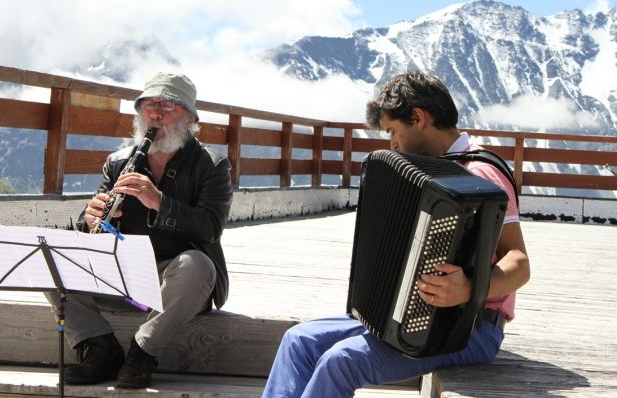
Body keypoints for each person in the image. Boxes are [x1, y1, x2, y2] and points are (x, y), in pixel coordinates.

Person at [261, 71, 530, 397]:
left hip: (470, 328)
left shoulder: (479, 172)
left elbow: (519, 262)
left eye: (392, 130)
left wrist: (469, 288)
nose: (392, 143)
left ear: (418, 118)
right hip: (418, 317)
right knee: (299, 340)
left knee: (340, 361)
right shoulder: (432, 169)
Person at [45, 72, 233, 389]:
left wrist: (160, 202)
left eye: (167, 107)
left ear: (189, 119)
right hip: (123, 274)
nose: (155, 114)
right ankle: (100, 347)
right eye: (149, 106)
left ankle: (143, 352)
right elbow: (93, 231)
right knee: (49, 259)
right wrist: (90, 221)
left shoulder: (211, 165)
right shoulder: (119, 162)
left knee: (197, 265)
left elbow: (211, 228)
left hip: (175, 280)